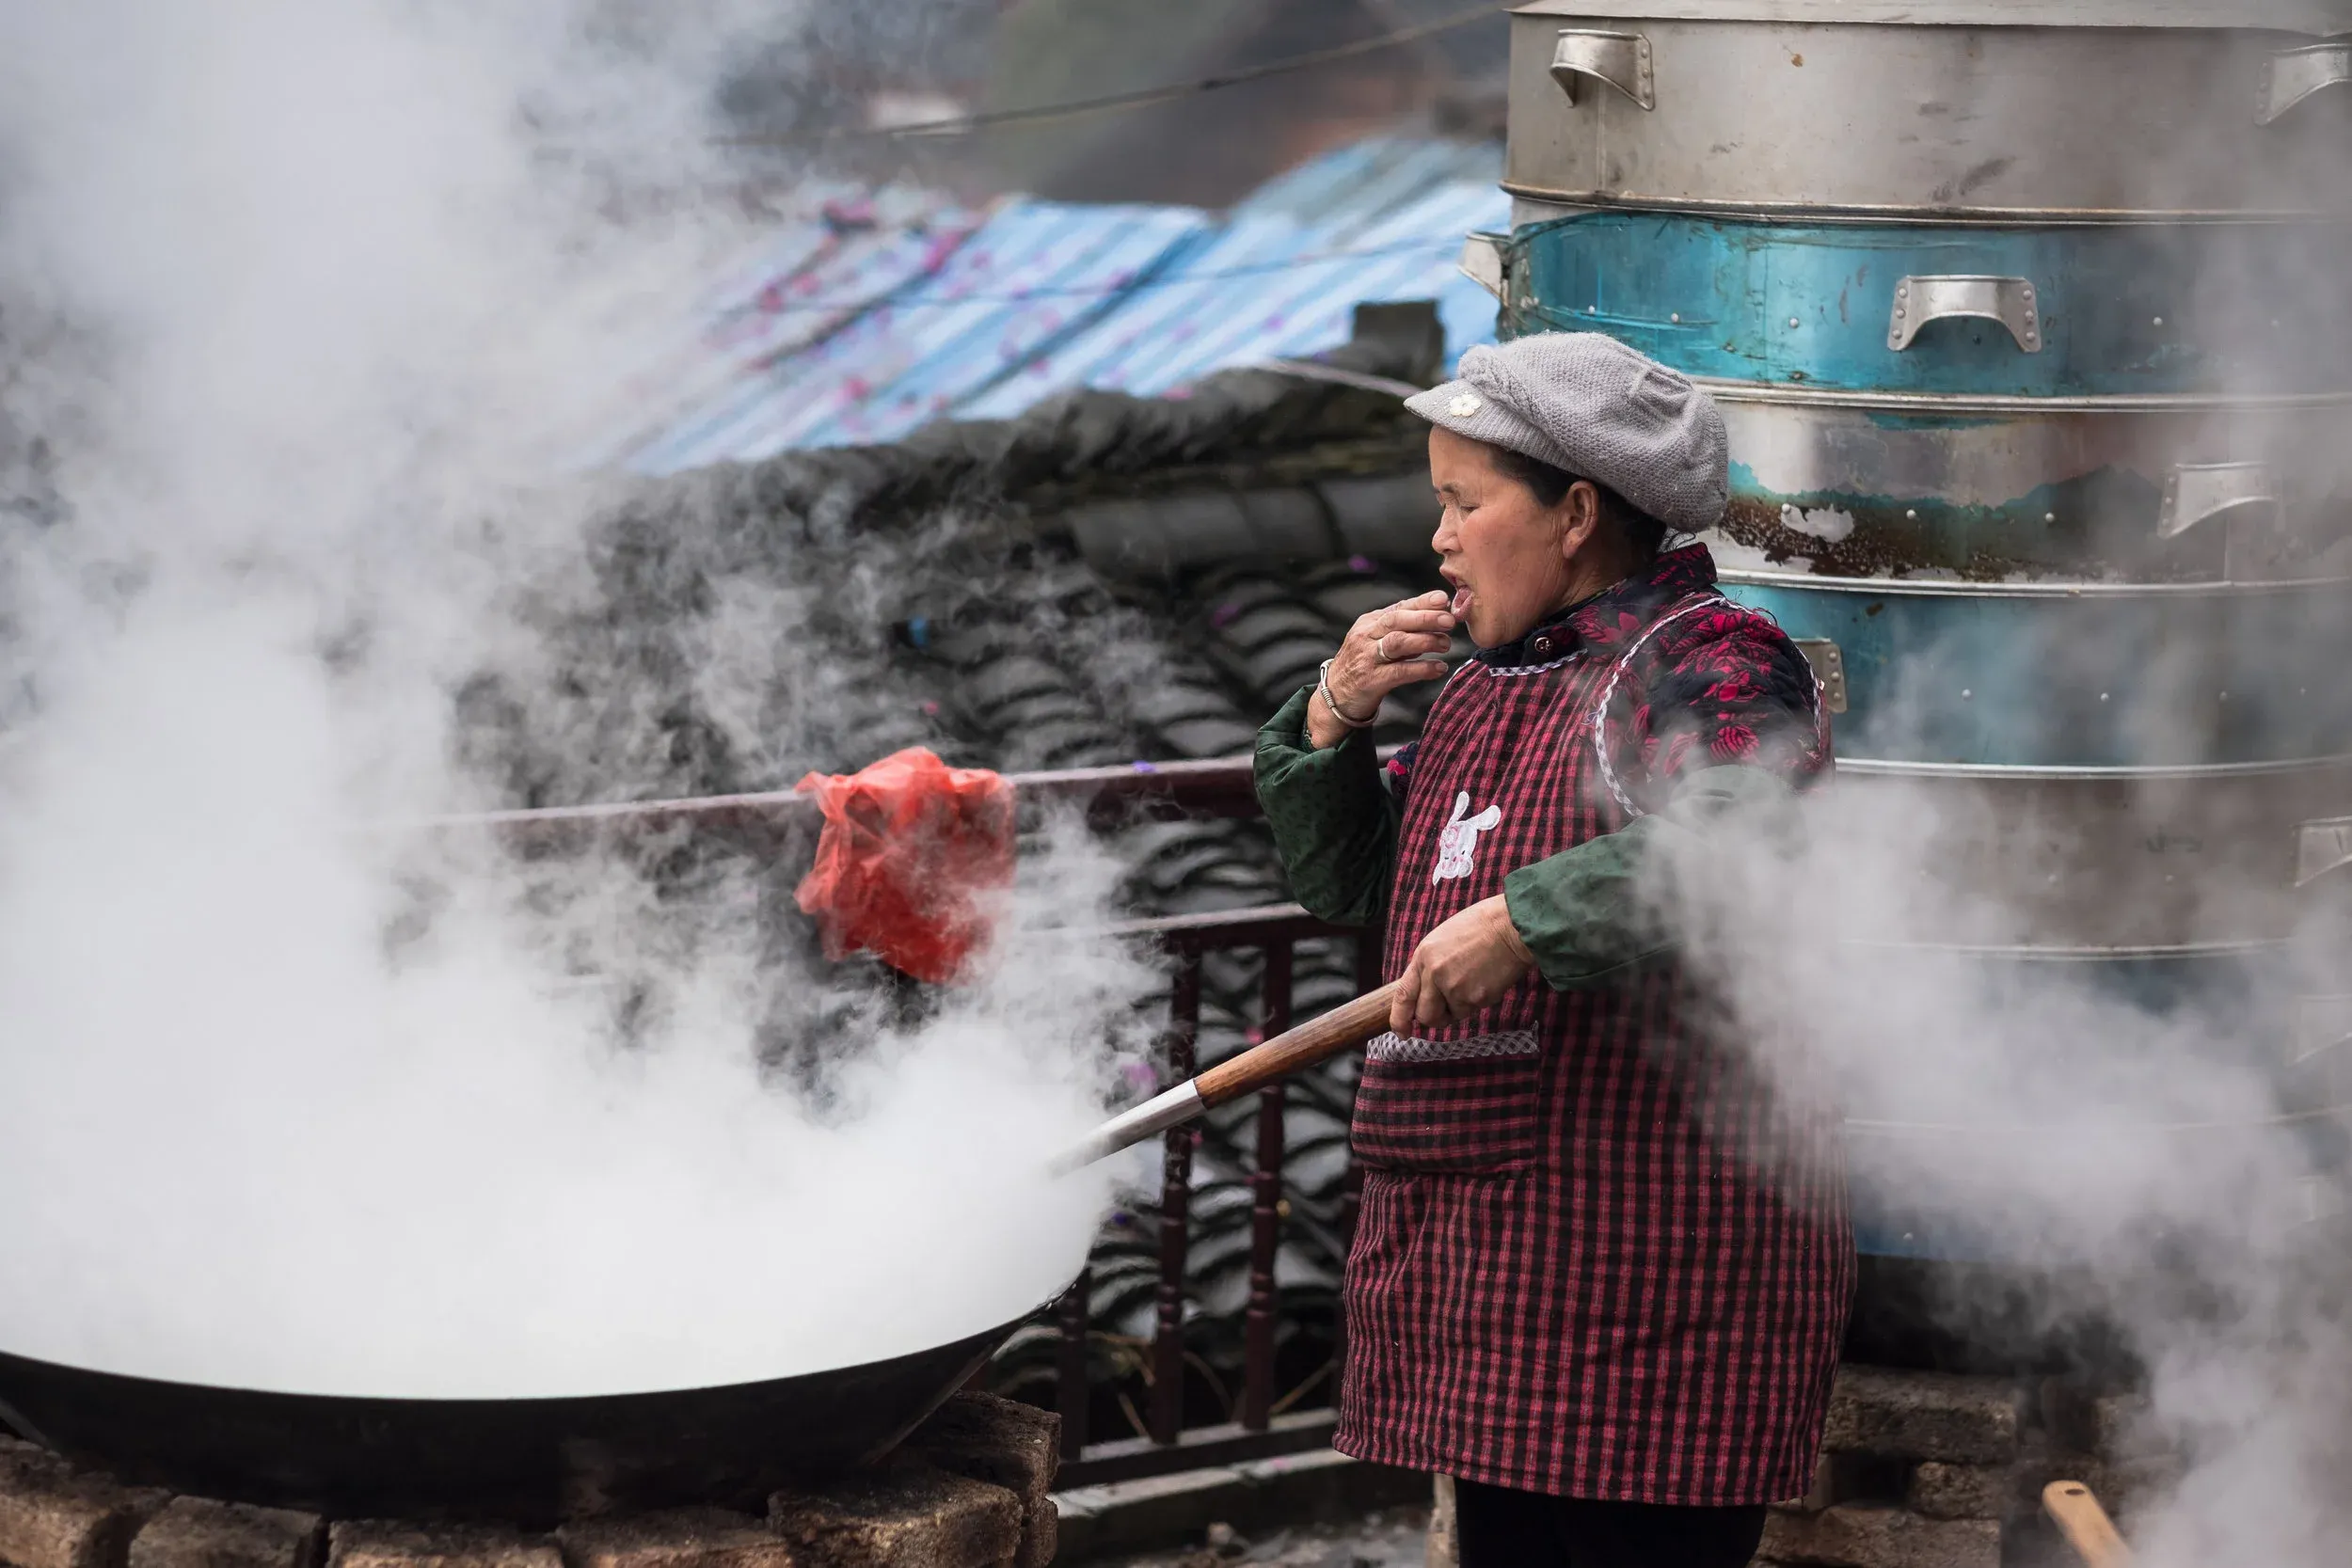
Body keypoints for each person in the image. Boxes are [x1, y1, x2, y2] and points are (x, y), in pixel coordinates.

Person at [1253, 333, 1854, 1568]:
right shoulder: (1483, 689)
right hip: (1499, 1285)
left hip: (1655, 1299)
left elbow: (1745, 843)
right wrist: (1330, 717)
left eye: (1466, 503)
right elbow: (1358, 882)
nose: (1440, 538)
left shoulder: (1709, 661)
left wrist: (1528, 917)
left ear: (1576, 512)